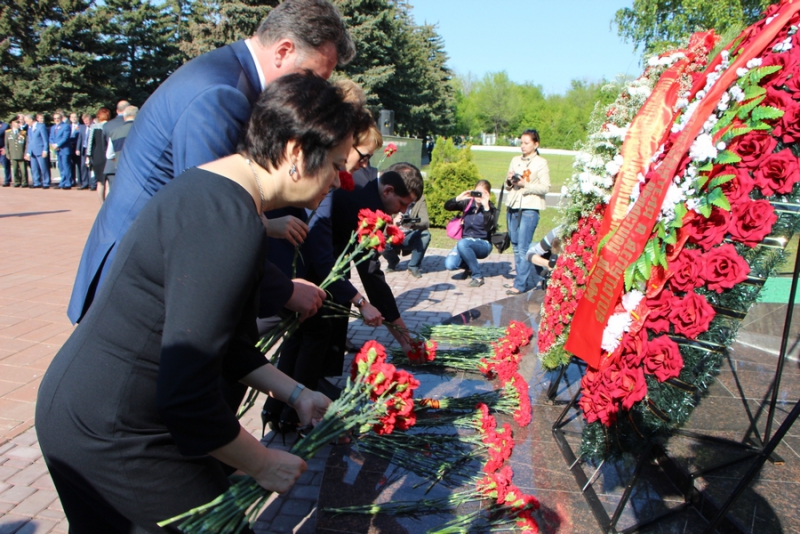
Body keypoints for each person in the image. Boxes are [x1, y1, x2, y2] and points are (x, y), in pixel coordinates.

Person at [36, 73, 357, 533]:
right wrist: (262, 461)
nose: (341, 181)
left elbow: (216, 341)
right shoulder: (228, 220)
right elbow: (187, 394)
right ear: (293, 152)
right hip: (116, 430)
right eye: (335, 165)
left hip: (87, 410)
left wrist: (297, 394)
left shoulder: (215, 189)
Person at [67, 0, 355, 325]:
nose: (313, 91)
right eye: (312, 76)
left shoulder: (231, 75)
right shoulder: (221, 95)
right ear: (284, 50)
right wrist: (283, 290)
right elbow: (207, 219)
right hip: (136, 285)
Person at [261, 162, 423, 431]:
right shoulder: (353, 199)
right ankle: (293, 410)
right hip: (293, 262)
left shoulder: (368, 187)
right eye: (404, 204)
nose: (404, 212)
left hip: (311, 262)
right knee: (308, 328)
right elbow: (366, 271)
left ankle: (280, 409)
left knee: (305, 329)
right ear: (389, 190)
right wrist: (362, 303)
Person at [504, 128, 550, 295]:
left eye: (526, 143)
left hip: (529, 209)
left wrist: (526, 184)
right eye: (521, 143)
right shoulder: (515, 160)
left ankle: (520, 284)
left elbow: (545, 187)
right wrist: (510, 180)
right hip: (513, 206)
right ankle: (519, 279)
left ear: (535, 144)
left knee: (523, 248)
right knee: (515, 246)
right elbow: (508, 185)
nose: (522, 146)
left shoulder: (541, 162)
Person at [444, 180, 498, 287]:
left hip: (483, 244)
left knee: (463, 243)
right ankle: (470, 267)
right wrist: (458, 198)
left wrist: (486, 207)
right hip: (465, 242)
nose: (478, 195)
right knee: (450, 264)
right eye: (477, 192)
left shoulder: (492, 209)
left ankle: (477, 276)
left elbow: (489, 228)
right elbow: (447, 206)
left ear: (488, 194)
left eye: (482, 193)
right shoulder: (468, 204)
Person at [382, 194, 431, 277]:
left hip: (409, 236)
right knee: (380, 239)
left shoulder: (419, 199)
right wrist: (394, 223)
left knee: (425, 234)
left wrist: (411, 224)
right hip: (393, 236)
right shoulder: (391, 196)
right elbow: (381, 224)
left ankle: (413, 266)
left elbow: (426, 222)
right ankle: (393, 261)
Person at [104, 105, 138, 189]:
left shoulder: (114, 132)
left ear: (124, 116)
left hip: (120, 169)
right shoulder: (144, 130)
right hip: (139, 171)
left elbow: (109, 155)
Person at [526, 226, 562, 290]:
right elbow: (529, 254)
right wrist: (549, 264)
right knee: (532, 245)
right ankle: (547, 280)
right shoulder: (558, 231)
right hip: (557, 262)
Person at [88, 108, 110, 201]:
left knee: (100, 182)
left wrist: (89, 156)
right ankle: (107, 205)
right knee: (108, 182)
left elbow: (90, 143)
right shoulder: (110, 126)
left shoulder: (94, 127)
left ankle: (102, 203)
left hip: (97, 156)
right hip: (108, 156)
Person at [24, 114, 50, 188]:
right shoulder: (29, 128)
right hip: (32, 151)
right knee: (34, 168)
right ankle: (36, 182)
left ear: (31, 120)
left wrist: (45, 150)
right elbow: (29, 141)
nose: (26, 122)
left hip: (40, 150)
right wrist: (28, 152)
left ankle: (46, 182)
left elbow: (45, 140)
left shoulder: (41, 126)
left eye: (27, 121)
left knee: (43, 167)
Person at [49, 112, 74, 189]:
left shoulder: (66, 126)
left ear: (61, 118)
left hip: (64, 149)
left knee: (66, 166)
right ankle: (62, 182)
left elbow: (65, 138)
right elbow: (51, 137)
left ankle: (68, 183)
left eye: (58, 118)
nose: (56, 120)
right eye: (55, 118)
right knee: (60, 167)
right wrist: (53, 145)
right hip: (57, 150)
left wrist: (57, 145)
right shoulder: (53, 127)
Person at [4, 120, 27, 187]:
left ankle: (24, 182)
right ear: (12, 124)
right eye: (16, 123)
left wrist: (25, 153)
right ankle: (17, 182)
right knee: (15, 169)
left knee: (23, 170)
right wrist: (8, 154)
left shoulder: (22, 132)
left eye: (18, 123)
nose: (18, 124)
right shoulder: (8, 133)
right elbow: (6, 144)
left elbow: (25, 144)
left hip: (21, 153)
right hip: (13, 153)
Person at [75, 113, 94, 190]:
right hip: (84, 149)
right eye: (84, 121)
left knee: (91, 167)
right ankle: (84, 183)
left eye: (87, 121)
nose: (85, 122)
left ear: (91, 120)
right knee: (83, 166)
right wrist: (77, 149)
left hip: (92, 150)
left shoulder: (94, 126)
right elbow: (80, 138)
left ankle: (92, 184)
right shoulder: (82, 127)